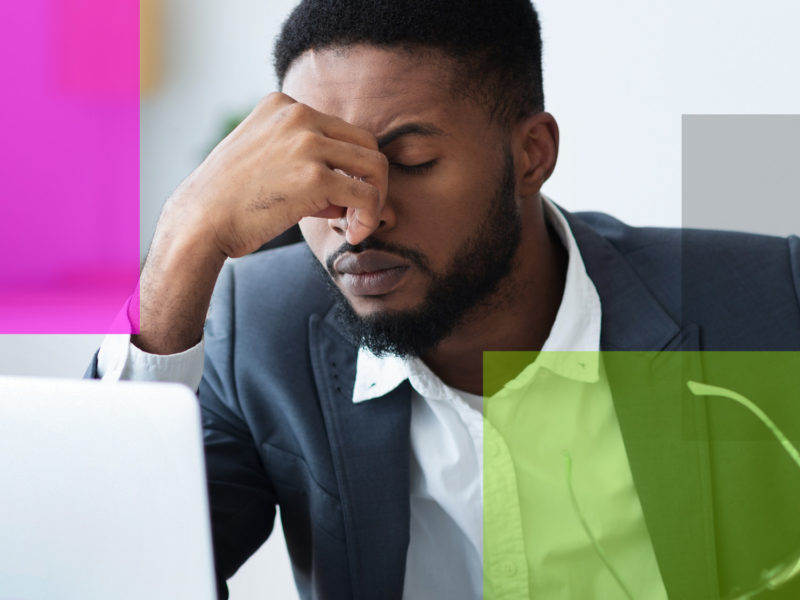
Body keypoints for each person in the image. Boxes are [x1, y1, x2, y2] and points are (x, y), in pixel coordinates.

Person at [89, 1, 800, 598]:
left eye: (409, 162)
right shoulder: (257, 333)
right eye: (324, 170)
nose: (358, 219)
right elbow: (101, 575)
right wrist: (184, 240)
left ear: (531, 156)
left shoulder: (767, 300)